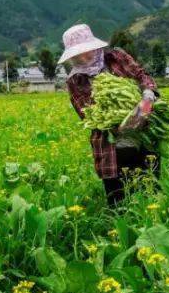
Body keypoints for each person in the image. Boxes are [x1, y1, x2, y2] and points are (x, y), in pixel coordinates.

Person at [62, 24, 161, 207]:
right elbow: (88, 114)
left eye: (87, 51)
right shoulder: (75, 80)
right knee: (119, 201)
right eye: (78, 55)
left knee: (151, 192)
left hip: (144, 133)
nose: (84, 57)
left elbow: (142, 76)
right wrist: (122, 124)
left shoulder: (116, 58)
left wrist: (147, 97)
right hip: (111, 146)